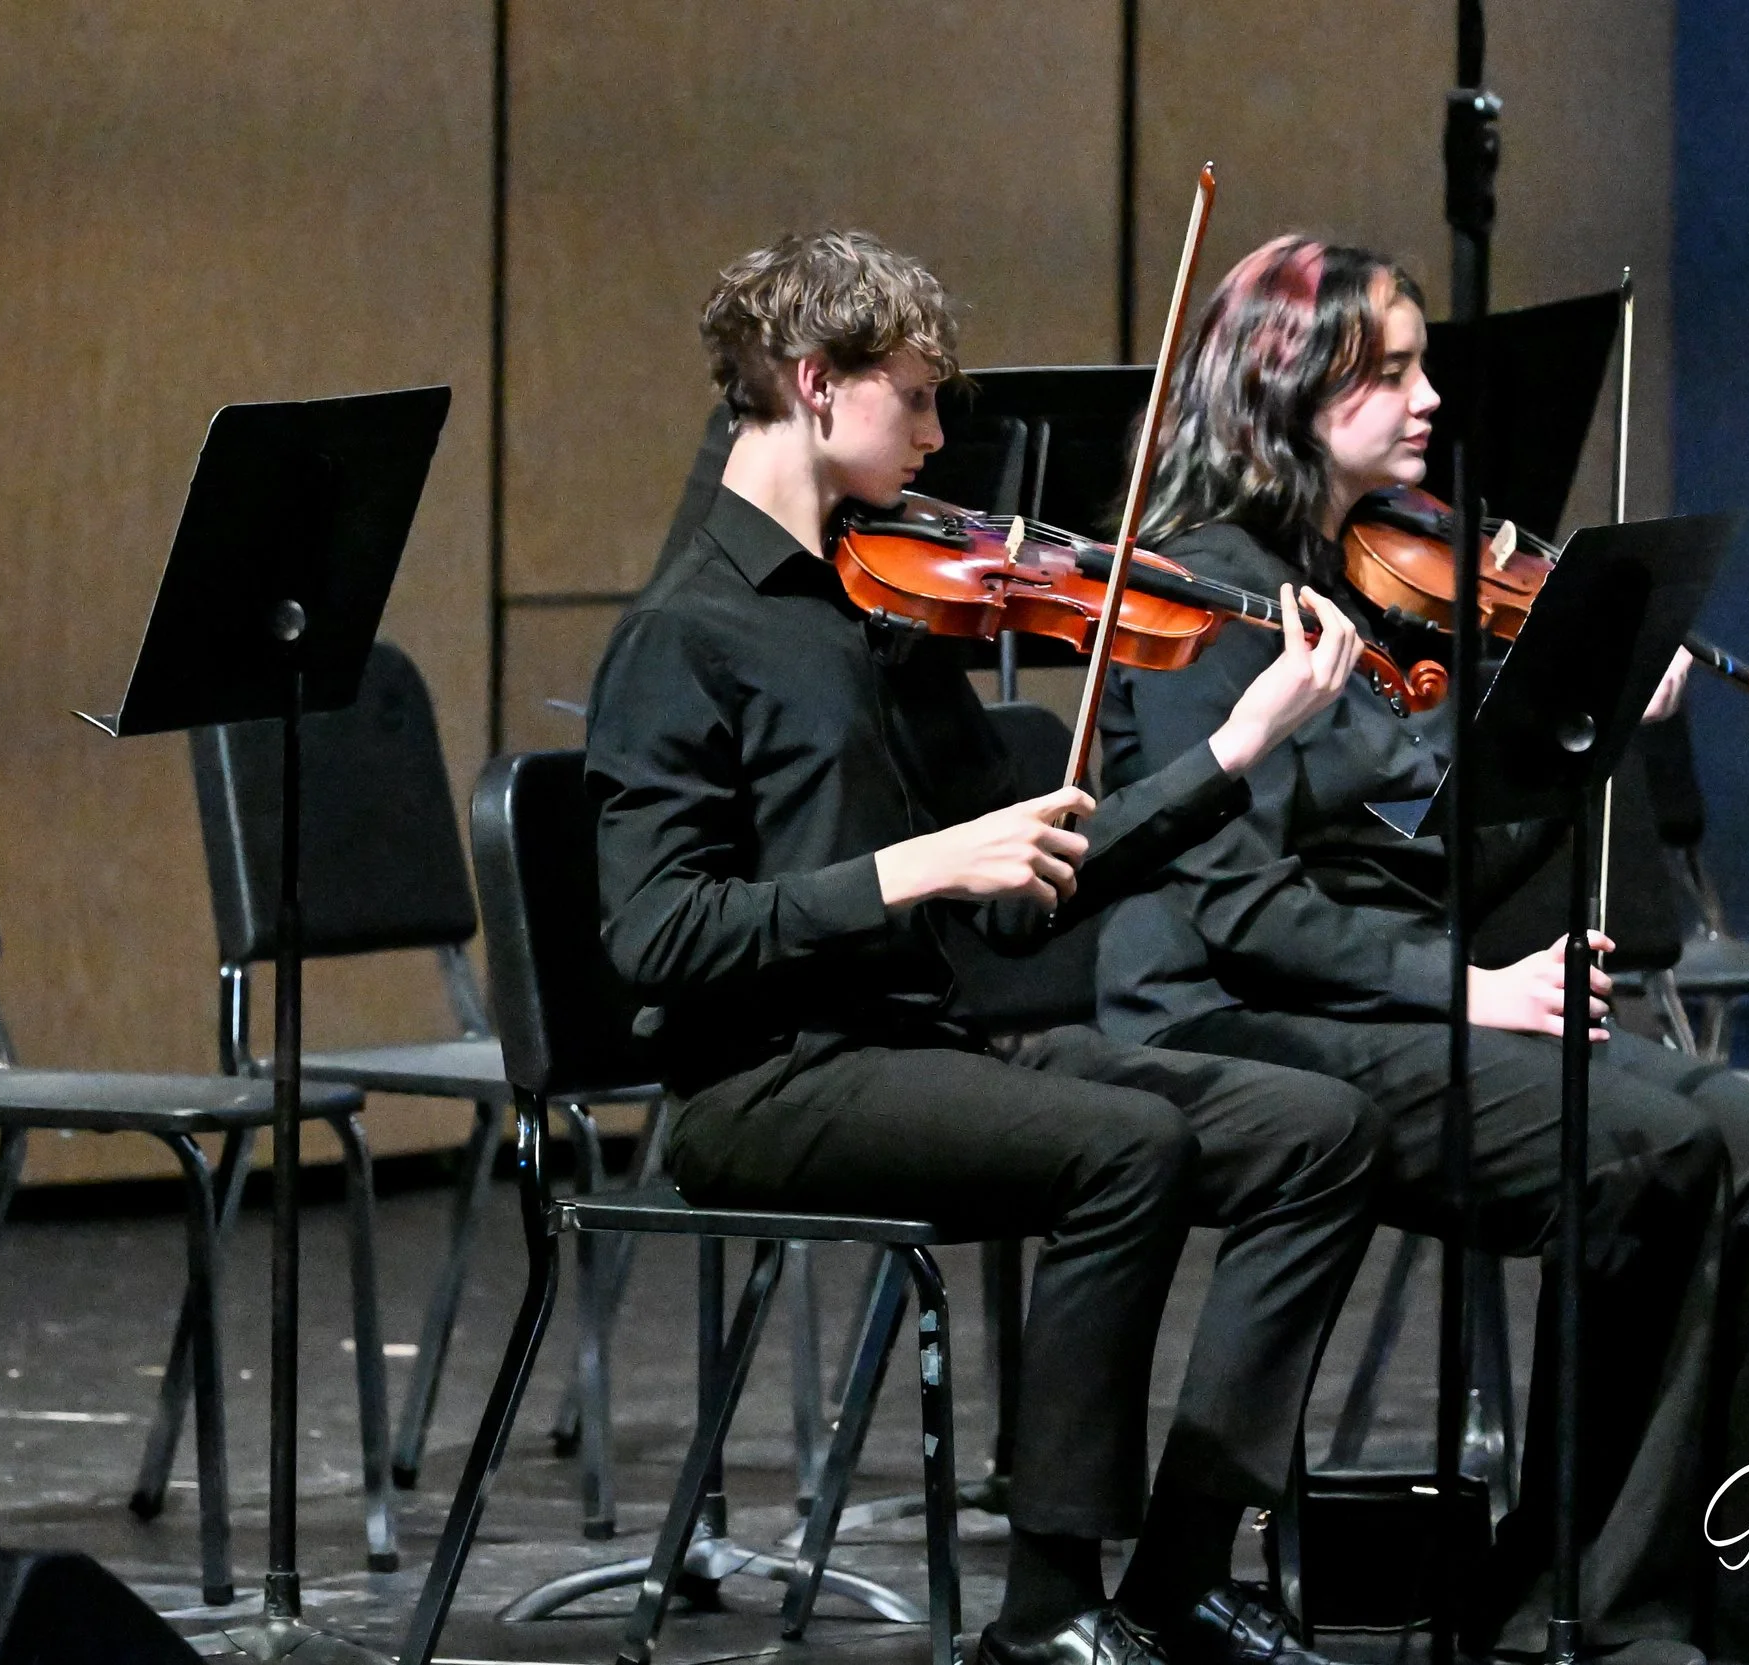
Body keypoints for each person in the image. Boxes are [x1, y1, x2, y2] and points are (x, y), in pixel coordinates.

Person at [585, 228, 1385, 1665]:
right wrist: (905, 871)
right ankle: (1050, 1607)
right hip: (765, 1083)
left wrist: (1235, 746)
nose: (946, 435)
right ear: (818, 386)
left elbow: (1025, 893)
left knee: (1318, 1126)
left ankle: (1184, 1571)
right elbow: (654, 937)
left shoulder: (880, 610)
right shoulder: (682, 634)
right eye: (923, 396)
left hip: (922, 1047)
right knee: (1124, 1148)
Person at [1092, 236, 1749, 1662]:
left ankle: (1721, 1577)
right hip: (1235, 1020)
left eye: (1422, 363)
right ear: (1282, 391)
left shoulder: (1373, 575)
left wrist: (1588, 707)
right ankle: (1591, 1599)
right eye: (1387, 371)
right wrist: (1475, 989)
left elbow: (1442, 827)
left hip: (1387, 993)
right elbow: (1236, 908)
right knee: (1642, 1149)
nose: (1430, 397)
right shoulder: (1199, 595)